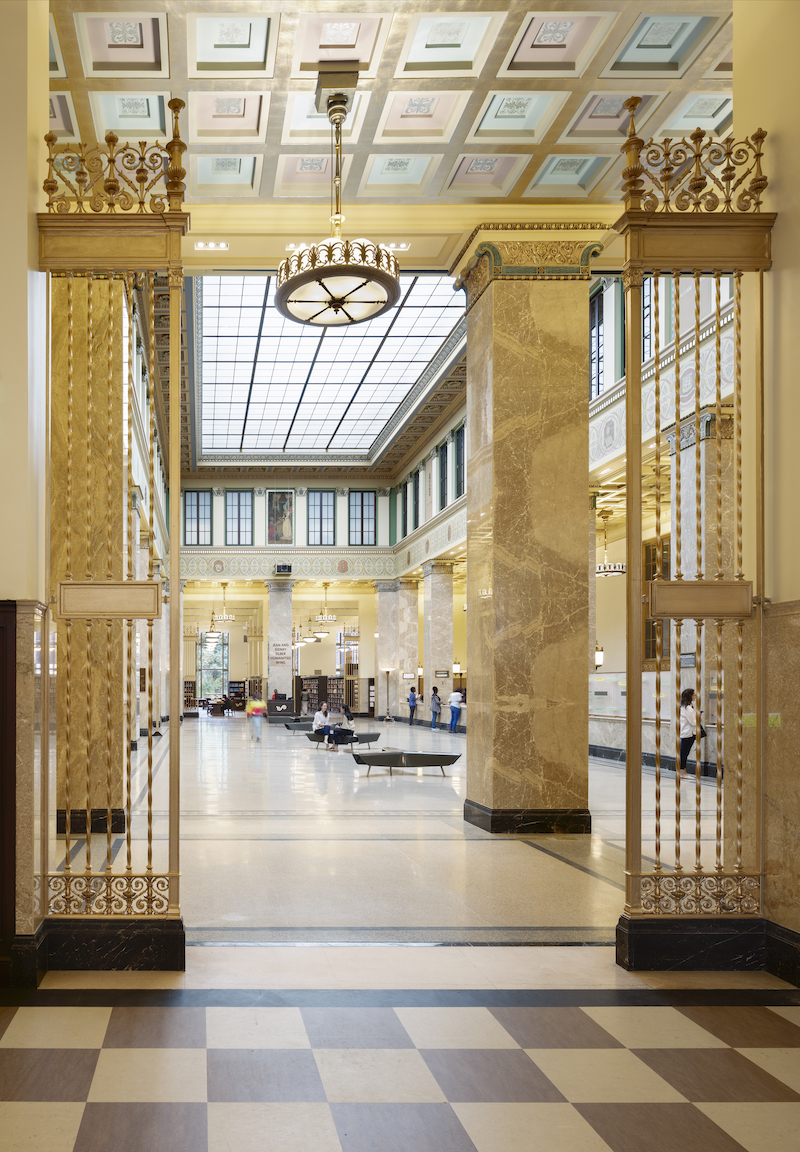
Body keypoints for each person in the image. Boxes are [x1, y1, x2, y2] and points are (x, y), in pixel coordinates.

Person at [679, 687, 701, 778]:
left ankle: (682, 772)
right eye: (694, 695)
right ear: (690, 696)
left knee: (684, 753)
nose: (695, 696)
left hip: (687, 733)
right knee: (684, 753)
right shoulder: (688, 708)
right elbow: (693, 722)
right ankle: (682, 772)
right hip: (688, 734)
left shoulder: (685, 707)